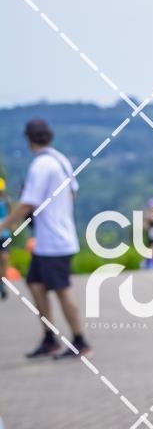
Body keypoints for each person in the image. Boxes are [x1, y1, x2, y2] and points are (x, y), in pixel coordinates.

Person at [1, 119, 92, 358]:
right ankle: (49, 337)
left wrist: (4, 225)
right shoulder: (60, 160)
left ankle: (80, 341)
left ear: (28, 139)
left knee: (62, 289)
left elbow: (27, 203)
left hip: (53, 241)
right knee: (36, 284)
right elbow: (72, 192)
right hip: (53, 238)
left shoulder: (41, 165)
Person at [0, 177, 11, 300]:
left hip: (4, 235)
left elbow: (11, 214)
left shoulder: (6, 202)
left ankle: (3, 283)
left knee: (4, 258)